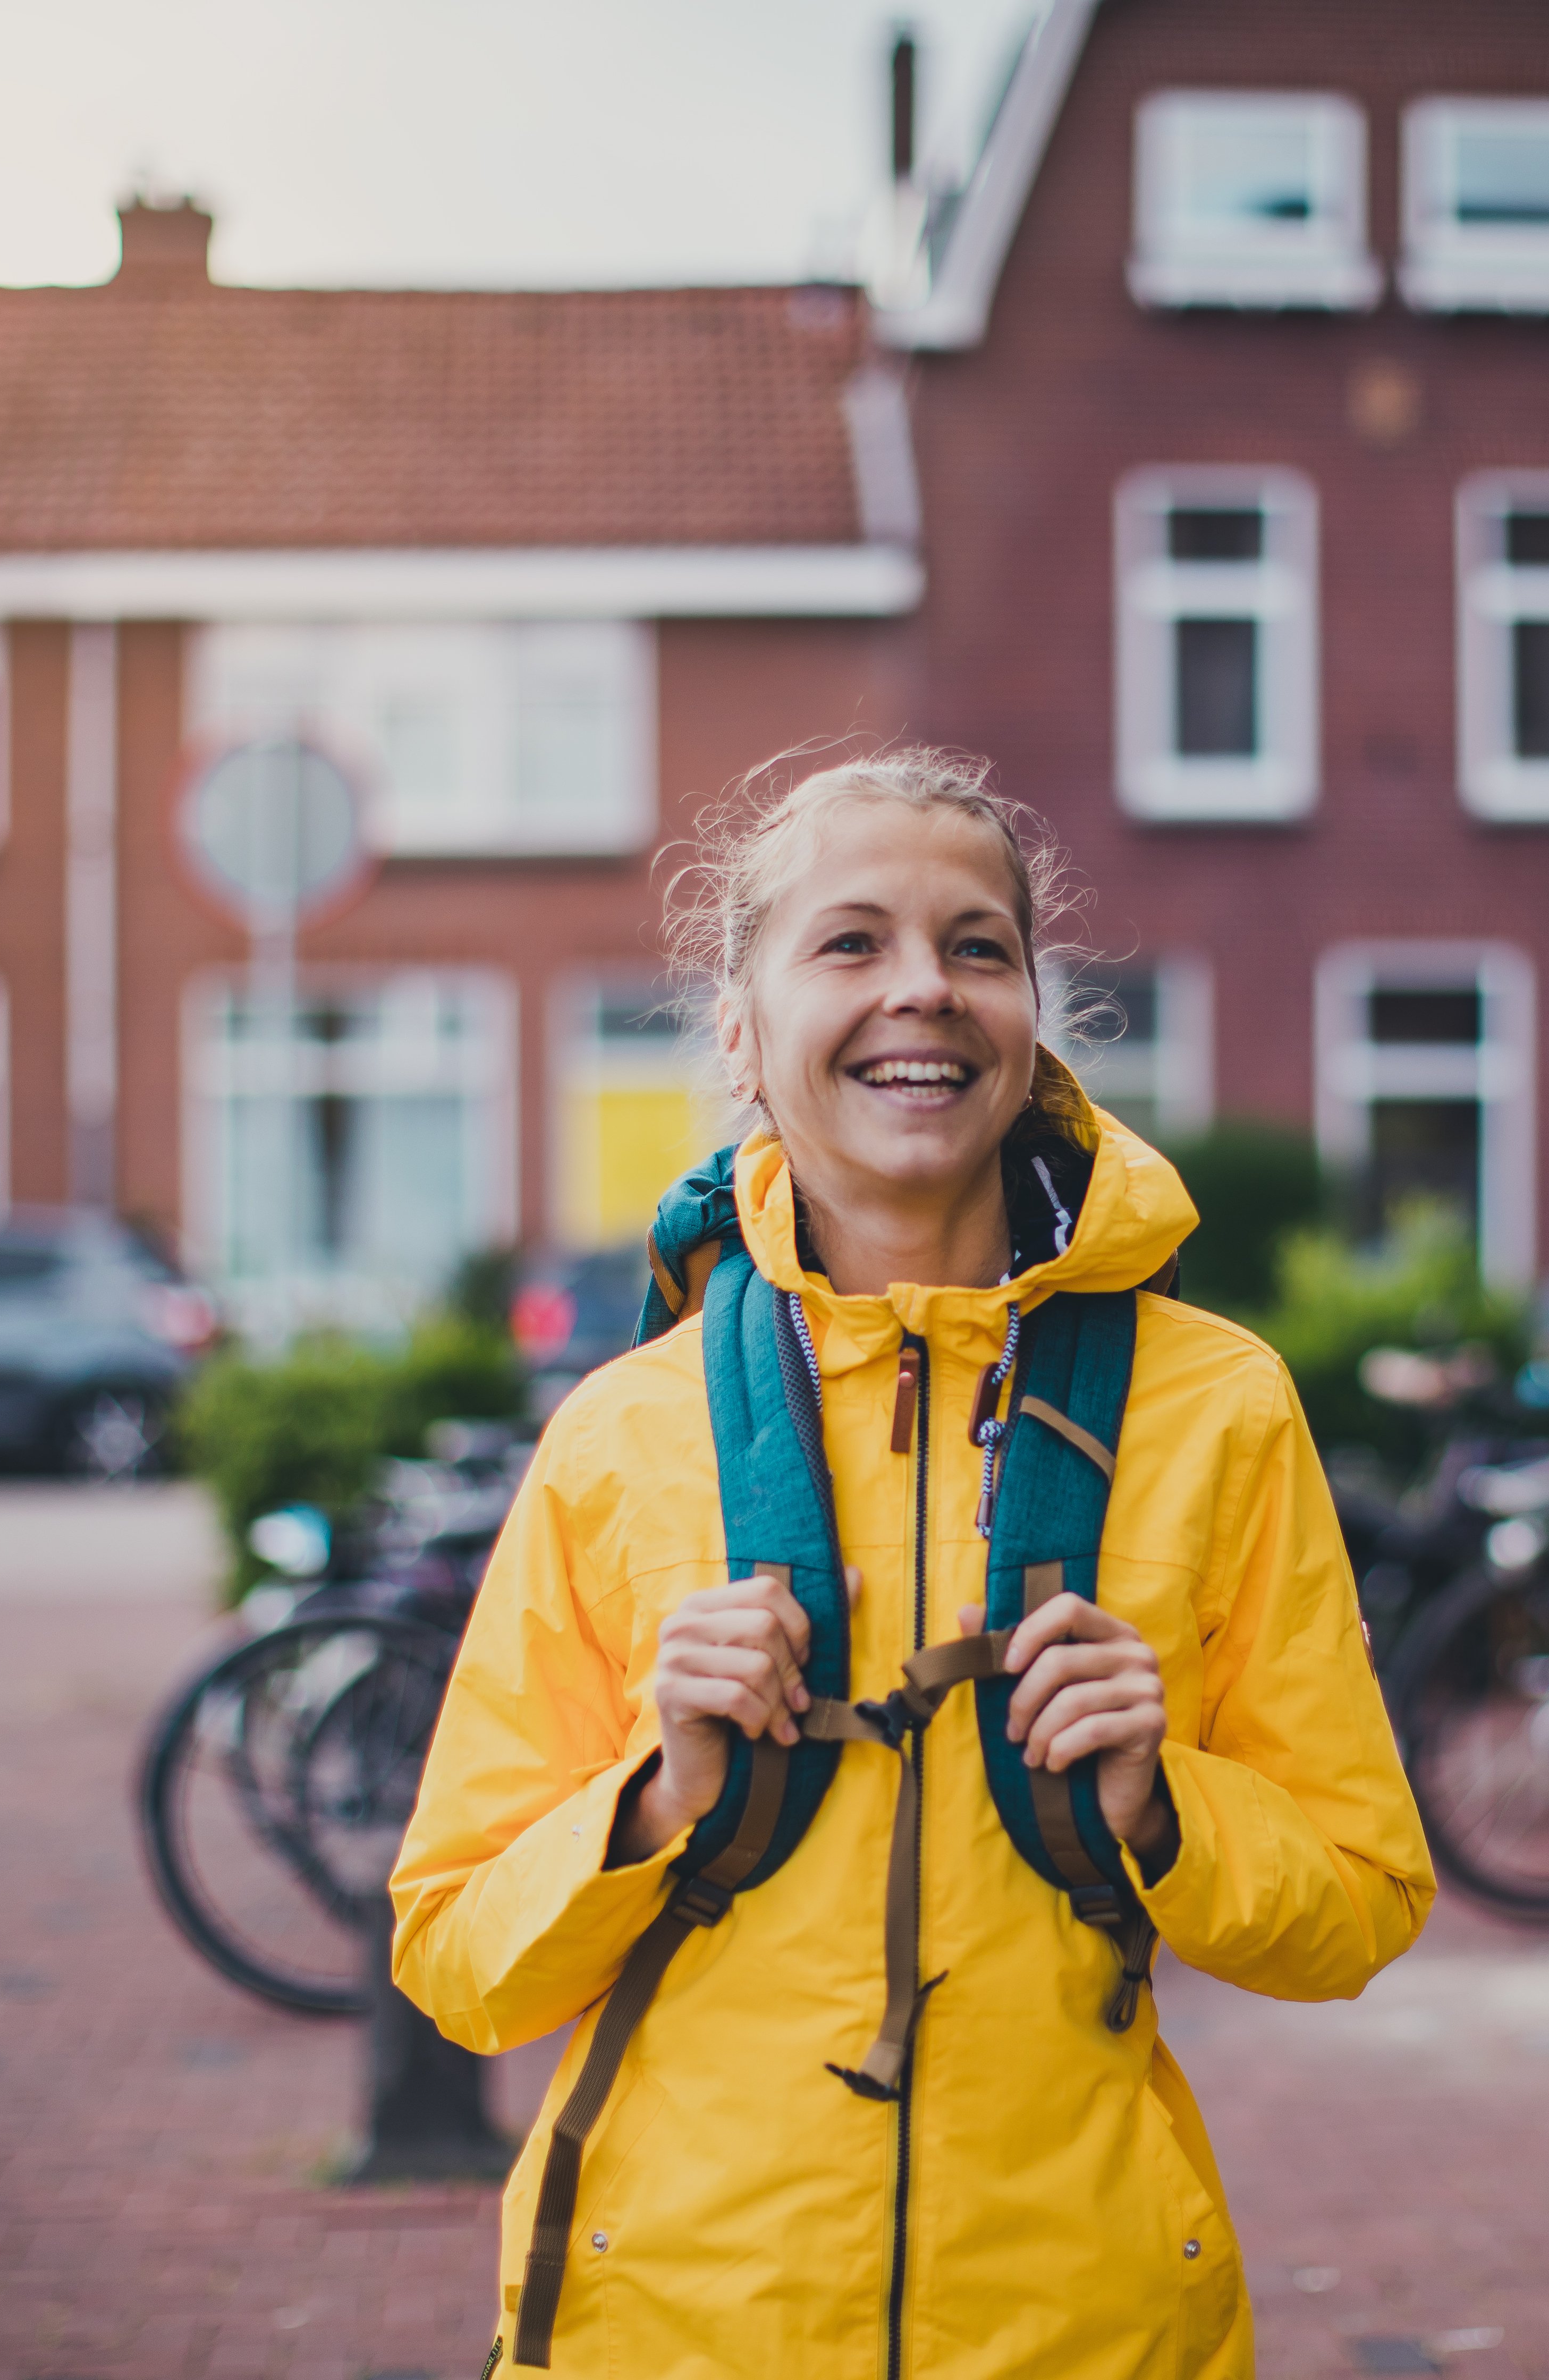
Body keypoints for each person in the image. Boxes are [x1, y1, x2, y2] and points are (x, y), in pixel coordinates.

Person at [390, 747, 1432, 2377]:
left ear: (1036, 1017)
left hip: (1089, 2333)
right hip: (674, 2327)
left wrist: (1168, 1803)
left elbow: (1359, 1905)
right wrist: (653, 1802)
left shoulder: (1218, 1409)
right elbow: (455, 1954)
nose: (923, 992)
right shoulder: (618, 1436)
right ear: (739, 1029)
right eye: (852, 942)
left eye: (977, 947)